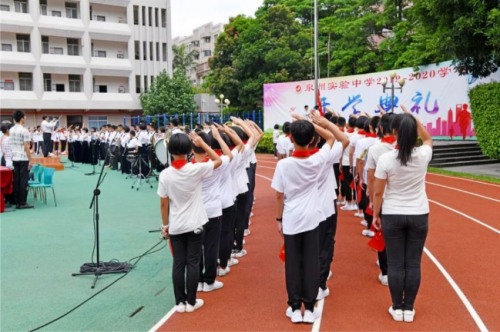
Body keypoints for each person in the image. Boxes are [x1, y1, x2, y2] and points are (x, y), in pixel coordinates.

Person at [271, 114, 336, 324]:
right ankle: (309, 308)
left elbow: (279, 195)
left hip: (291, 217)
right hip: (312, 218)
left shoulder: (283, 165)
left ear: (290, 139)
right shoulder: (317, 160)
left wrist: (279, 218)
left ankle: (294, 307)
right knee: (310, 263)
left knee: (292, 264)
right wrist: (317, 125)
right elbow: (332, 138)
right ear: (311, 139)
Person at [372, 106, 433, 323]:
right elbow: (428, 139)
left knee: (396, 264)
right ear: (414, 133)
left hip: (392, 214)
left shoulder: (387, 159)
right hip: (418, 214)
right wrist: (413, 117)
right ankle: (409, 308)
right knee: (413, 263)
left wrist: (375, 215)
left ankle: (397, 307)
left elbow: (378, 191)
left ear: (394, 132)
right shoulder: (423, 155)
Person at [158, 131, 222, 313]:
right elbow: (218, 160)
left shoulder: (165, 175)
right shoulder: (196, 169)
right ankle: (192, 301)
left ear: (169, 151)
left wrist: (165, 226)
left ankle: (180, 302)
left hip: (176, 225)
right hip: (195, 224)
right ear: (189, 150)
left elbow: (163, 204)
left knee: (179, 263)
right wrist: (204, 143)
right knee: (193, 262)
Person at [194, 127, 232, 293]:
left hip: (196, 212)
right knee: (210, 247)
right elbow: (227, 157)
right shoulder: (213, 166)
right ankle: (209, 280)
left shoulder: (189, 167)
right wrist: (209, 142)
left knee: (197, 247)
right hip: (213, 211)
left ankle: (199, 280)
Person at [366, 113, 397, 286]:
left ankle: (386, 272)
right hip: (404, 199)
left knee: (383, 233)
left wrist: (372, 198)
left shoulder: (375, 149)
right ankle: (399, 268)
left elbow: (371, 177)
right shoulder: (410, 148)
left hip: (384, 198)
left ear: (381, 128)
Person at [10, 110, 34, 209]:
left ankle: (16, 201)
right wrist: (30, 159)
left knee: (16, 180)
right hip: (23, 158)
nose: (26, 118)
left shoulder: (11, 129)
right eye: (25, 117)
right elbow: (26, 146)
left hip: (14, 157)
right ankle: (22, 202)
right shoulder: (24, 130)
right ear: (22, 118)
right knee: (24, 180)